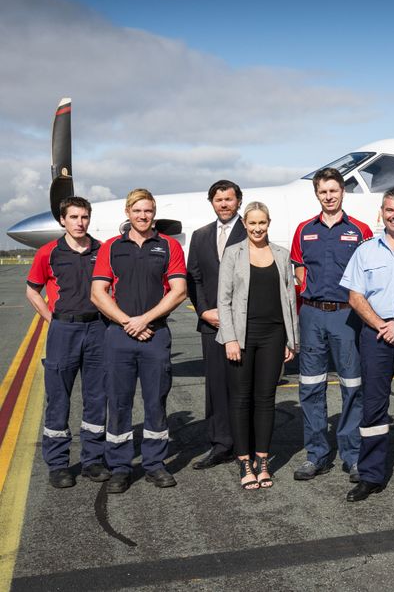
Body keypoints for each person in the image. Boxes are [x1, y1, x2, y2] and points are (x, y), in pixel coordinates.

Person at [91, 188, 187, 494]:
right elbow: (98, 293)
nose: (143, 216)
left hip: (155, 335)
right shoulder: (110, 247)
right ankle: (119, 466)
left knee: (155, 400)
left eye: (148, 211)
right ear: (127, 212)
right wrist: (127, 322)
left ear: (154, 213)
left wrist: (145, 320)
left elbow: (179, 290)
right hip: (119, 336)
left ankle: (155, 464)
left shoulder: (169, 246)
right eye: (137, 211)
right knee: (118, 403)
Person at [341, 188, 394, 502]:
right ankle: (371, 476)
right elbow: (355, 296)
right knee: (374, 406)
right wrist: (382, 325)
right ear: (382, 212)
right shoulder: (365, 251)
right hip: (375, 335)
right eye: (390, 210)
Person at [290, 167, 372, 482]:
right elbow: (299, 271)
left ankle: (352, 456)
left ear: (342, 192)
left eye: (333, 191)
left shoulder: (360, 230)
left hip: (346, 316)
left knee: (352, 386)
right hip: (312, 315)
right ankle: (317, 455)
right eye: (323, 192)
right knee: (310, 387)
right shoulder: (303, 230)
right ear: (317, 194)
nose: (329, 196)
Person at [26, 196, 109, 488]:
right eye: (73, 217)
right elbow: (32, 290)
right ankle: (59, 464)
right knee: (58, 398)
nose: (79, 223)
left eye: (84, 217)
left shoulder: (103, 250)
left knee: (97, 397)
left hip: (98, 328)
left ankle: (93, 459)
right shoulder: (48, 253)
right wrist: (53, 320)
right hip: (64, 329)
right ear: (63, 220)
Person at [217, 202, 298, 489]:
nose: (257, 228)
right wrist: (230, 338)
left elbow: (289, 299)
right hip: (241, 337)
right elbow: (223, 300)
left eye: (262, 223)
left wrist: (292, 339)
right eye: (252, 223)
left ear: (269, 222)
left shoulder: (281, 254)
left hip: (273, 335)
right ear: (245, 225)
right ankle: (244, 461)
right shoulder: (233, 253)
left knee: (265, 399)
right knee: (241, 399)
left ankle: (263, 461)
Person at [186, 179, 247, 470]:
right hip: (212, 323)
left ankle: (245, 446)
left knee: (243, 385)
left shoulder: (252, 232)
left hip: (245, 324)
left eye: (229, 199)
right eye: (218, 199)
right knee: (217, 388)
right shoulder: (200, 236)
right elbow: (193, 278)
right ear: (211, 202)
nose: (224, 204)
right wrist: (203, 311)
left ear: (239, 202)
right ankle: (220, 444)